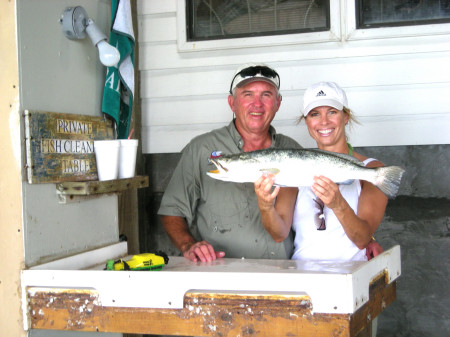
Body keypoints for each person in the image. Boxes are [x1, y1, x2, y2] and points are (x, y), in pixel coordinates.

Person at [158, 63, 302, 262]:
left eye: (266, 95)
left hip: (281, 272)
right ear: (232, 102)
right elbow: (172, 211)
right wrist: (188, 245)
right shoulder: (201, 149)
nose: (257, 104)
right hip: (220, 272)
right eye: (248, 94)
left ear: (278, 103)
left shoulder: (292, 150)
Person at [255, 81, 386, 262]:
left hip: (350, 278)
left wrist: (338, 203)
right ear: (307, 121)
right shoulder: (294, 167)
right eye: (315, 114)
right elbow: (279, 234)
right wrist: (265, 206)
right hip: (304, 280)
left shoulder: (371, 169)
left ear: (345, 117)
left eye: (332, 112)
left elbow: (362, 239)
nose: (324, 121)